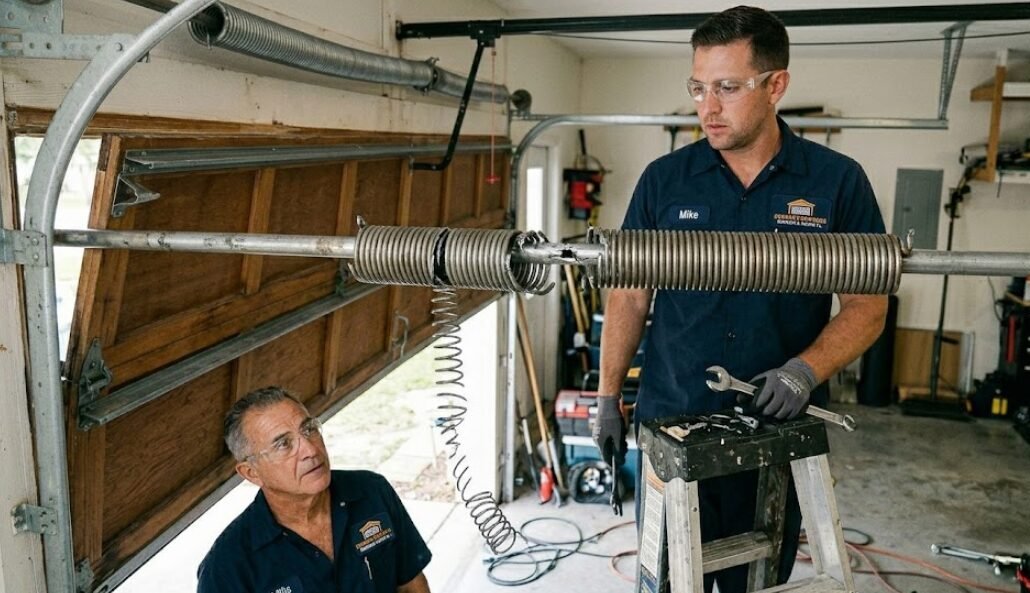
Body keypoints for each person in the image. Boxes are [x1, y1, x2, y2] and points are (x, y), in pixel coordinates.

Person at [592, 5, 887, 592]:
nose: (708, 106)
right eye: (698, 88)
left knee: (758, 575)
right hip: (672, 417)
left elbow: (868, 306)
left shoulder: (836, 182)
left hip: (774, 424)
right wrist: (606, 397)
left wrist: (807, 371)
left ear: (776, 84)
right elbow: (628, 293)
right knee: (672, 574)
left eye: (727, 87)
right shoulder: (664, 181)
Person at [197, 386, 432, 593]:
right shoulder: (227, 566)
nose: (310, 449)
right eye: (283, 444)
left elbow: (412, 584)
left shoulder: (372, 492)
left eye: (309, 429)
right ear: (251, 472)